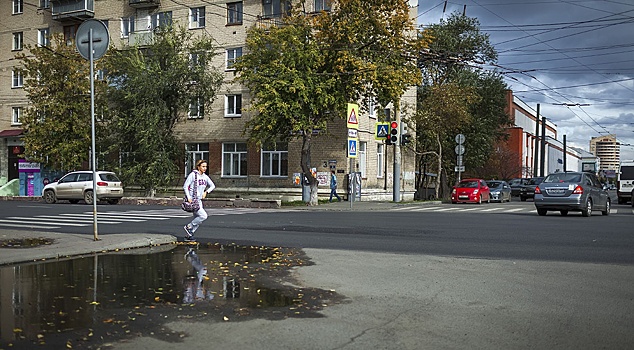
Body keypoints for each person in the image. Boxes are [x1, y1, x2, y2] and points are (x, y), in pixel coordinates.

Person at [183, 159, 215, 241]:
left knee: (198, 219)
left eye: (206, 167)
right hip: (193, 200)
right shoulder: (193, 175)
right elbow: (185, 186)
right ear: (198, 167)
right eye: (203, 166)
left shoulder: (205, 177)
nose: (205, 168)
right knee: (203, 216)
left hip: (199, 200)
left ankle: (189, 234)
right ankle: (189, 226)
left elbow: (212, 186)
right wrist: (188, 197)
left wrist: (206, 192)